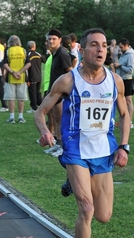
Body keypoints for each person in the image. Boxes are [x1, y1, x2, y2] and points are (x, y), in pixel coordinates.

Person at [34, 27, 130, 238]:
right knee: (86, 209)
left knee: (103, 216)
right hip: (76, 151)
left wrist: (124, 146)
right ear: (83, 49)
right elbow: (40, 112)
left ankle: (73, 181)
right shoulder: (68, 80)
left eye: (104, 45)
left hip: (103, 152)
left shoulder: (115, 81)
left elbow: (125, 114)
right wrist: (45, 131)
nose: (100, 50)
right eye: (95, 45)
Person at [43, 29, 73, 157]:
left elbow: (70, 72)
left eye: (54, 39)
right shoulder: (54, 54)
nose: (51, 41)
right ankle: (57, 144)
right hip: (54, 92)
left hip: (62, 94)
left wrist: (67, 91)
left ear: (60, 40)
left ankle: (63, 147)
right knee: (56, 119)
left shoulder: (62, 54)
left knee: (62, 119)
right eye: (49, 39)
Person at [2, 35, 31, 124]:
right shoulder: (23, 50)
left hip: (10, 78)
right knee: (20, 99)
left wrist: (13, 72)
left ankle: (11, 118)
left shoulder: (8, 50)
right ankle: (21, 117)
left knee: (11, 99)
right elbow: (28, 64)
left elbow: (5, 64)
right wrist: (20, 72)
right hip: (21, 78)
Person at [114, 38, 134, 129]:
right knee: (121, 101)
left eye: (121, 47)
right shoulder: (123, 54)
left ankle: (129, 122)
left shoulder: (130, 55)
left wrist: (120, 66)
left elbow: (130, 70)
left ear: (126, 45)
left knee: (128, 101)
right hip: (121, 79)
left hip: (127, 79)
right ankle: (122, 120)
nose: (120, 49)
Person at [25, 41, 45, 113]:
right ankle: (41, 104)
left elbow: (26, 68)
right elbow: (44, 60)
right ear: (34, 46)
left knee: (32, 92)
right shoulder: (38, 54)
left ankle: (34, 108)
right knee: (37, 92)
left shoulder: (27, 55)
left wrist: (27, 79)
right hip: (39, 76)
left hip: (32, 76)